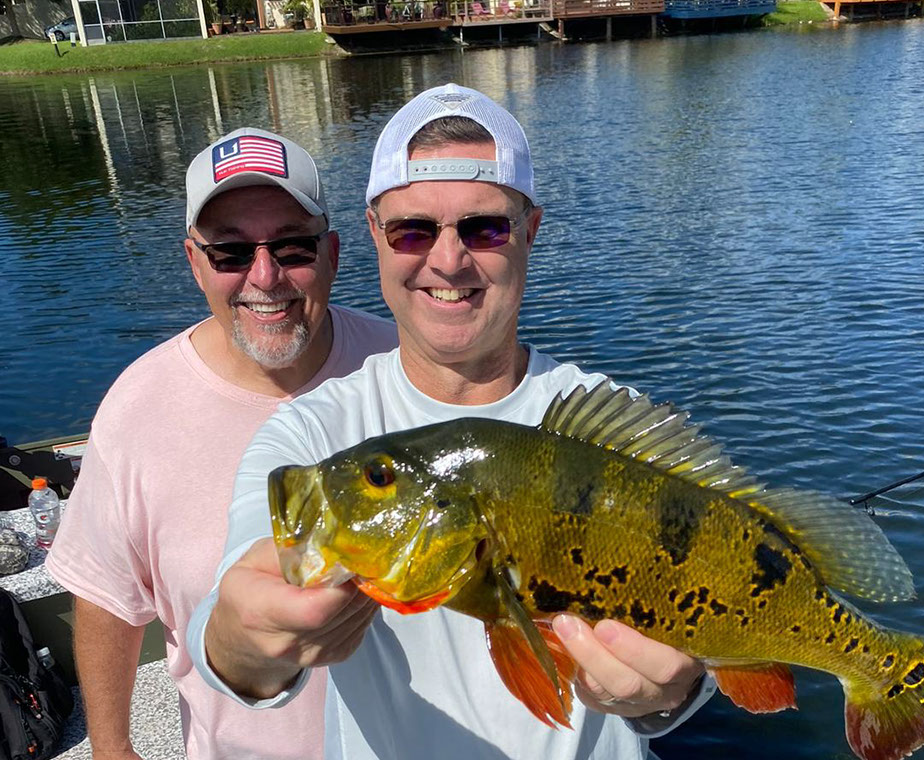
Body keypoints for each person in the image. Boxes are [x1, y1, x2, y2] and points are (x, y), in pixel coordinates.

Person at [187, 86, 717, 759]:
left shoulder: (617, 427)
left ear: (530, 231)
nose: (447, 260)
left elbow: (703, 644)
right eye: (412, 230)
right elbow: (234, 628)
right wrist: (243, 641)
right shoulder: (313, 436)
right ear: (374, 235)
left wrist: (672, 693)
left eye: (484, 228)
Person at [45, 127, 398, 759]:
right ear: (194, 263)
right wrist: (111, 747)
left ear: (333, 253)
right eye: (230, 253)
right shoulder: (136, 409)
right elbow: (105, 594)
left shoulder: (406, 370)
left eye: (292, 246)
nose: (265, 276)